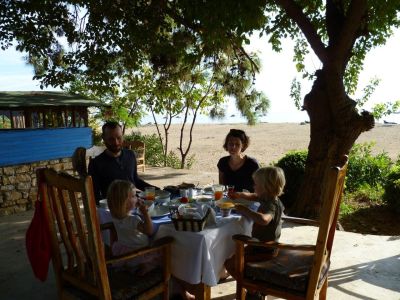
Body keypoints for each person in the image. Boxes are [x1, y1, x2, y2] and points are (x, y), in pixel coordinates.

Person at [224, 167, 286, 295]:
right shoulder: (268, 197)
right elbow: (253, 196)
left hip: (264, 248)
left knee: (230, 263)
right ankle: (253, 285)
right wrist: (239, 194)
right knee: (234, 259)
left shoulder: (271, 205)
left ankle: (253, 290)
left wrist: (245, 210)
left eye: (256, 184)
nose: (253, 186)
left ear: (266, 187)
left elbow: (264, 220)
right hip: (263, 245)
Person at [88, 121, 157, 204]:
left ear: (123, 136)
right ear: (104, 138)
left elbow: (135, 180)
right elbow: (94, 195)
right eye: (111, 139)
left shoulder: (130, 155)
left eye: (119, 138)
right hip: (115, 209)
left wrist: (158, 191)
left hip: (134, 202)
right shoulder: (96, 163)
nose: (116, 142)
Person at [107, 179, 157, 274]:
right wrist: (145, 213)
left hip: (122, 250)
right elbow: (150, 231)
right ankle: (140, 268)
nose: (137, 198)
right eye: (134, 196)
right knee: (157, 253)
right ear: (125, 202)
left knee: (130, 262)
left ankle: (129, 267)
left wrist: (133, 205)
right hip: (139, 251)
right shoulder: (134, 220)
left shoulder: (114, 215)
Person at [217, 129, 259, 193]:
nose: (233, 147)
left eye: (237, 144)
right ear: (227, 144)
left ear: (243, 146)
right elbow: (222, 186)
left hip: (248, 201)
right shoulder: (223, 162)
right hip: (228, 200)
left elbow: (259, 188)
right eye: (230, 143)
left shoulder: (252, 164)